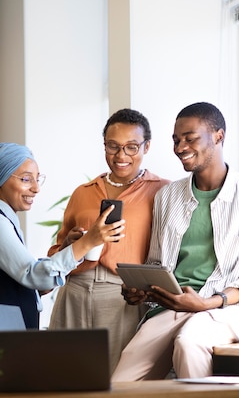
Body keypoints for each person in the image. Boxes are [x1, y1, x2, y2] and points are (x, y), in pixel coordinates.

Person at [111, 102, 239, 381]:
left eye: (190, 138)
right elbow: (157, 262)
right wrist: (143, 290)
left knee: (189, 343)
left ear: (218, 136)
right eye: (176, 140)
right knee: (120, 382)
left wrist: (211, 302)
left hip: (228, 310)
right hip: (172, 308)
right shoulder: (167, 196)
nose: (180, 147)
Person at [0, 142, 124, 386]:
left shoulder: (5, 220)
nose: (35, 189)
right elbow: (34, 276)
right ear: (1, 180)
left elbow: (36, 286)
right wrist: (87, 243)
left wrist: (67, 250)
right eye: (25, 179)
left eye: (37, 179)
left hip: (7, 341)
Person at [48, 108, 170, 372]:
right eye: (113, 146)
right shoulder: (83, 192)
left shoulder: (163, 191)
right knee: (62, 376)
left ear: (146, 147)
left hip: (122, 296)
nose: (121, 156)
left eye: (131, 147)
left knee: (115, 380)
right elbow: (55, 254)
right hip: (74, 291)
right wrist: (72, 242)